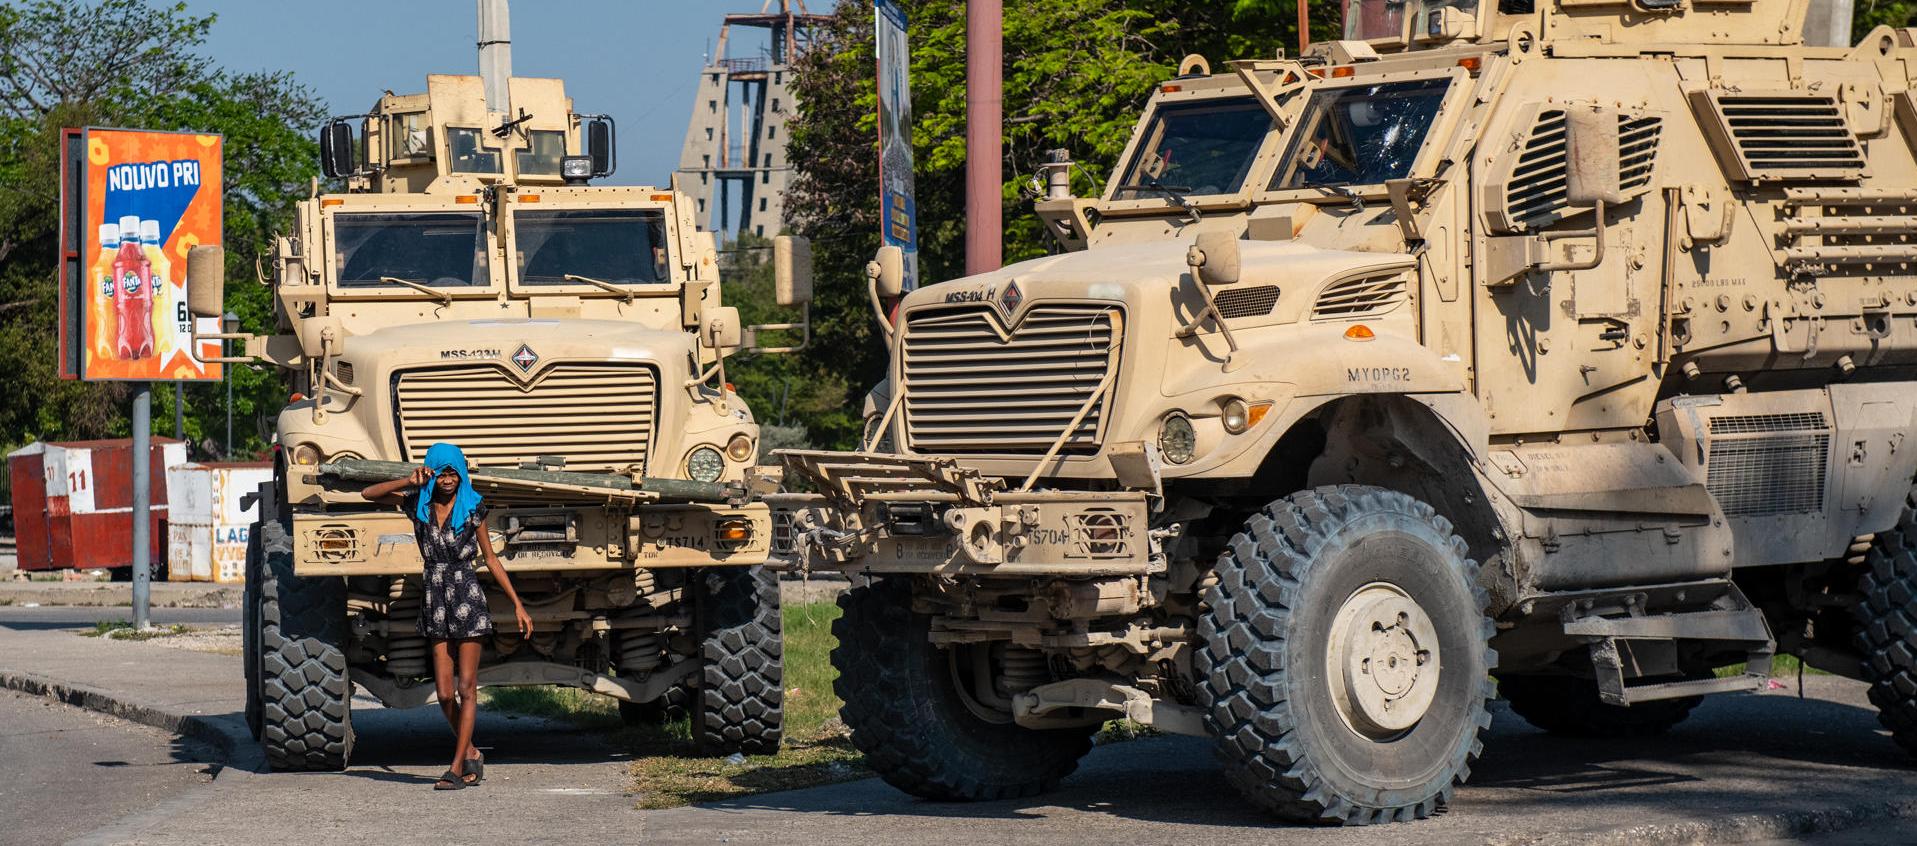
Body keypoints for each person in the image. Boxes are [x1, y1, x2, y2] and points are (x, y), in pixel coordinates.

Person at [361, 442, 534, 790]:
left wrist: (518, 604)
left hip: (467, 596)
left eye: (455, 472)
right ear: (433, 473)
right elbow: (368, 493)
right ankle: (470, 750)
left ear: (462, 474)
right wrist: (407, 480)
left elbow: (491, 558)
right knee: (443, 693)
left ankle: (456, 767)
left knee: (467, 688)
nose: (449, 479)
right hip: (435, 597)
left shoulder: (473, 508)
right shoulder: (418, 506)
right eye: (442, 472)